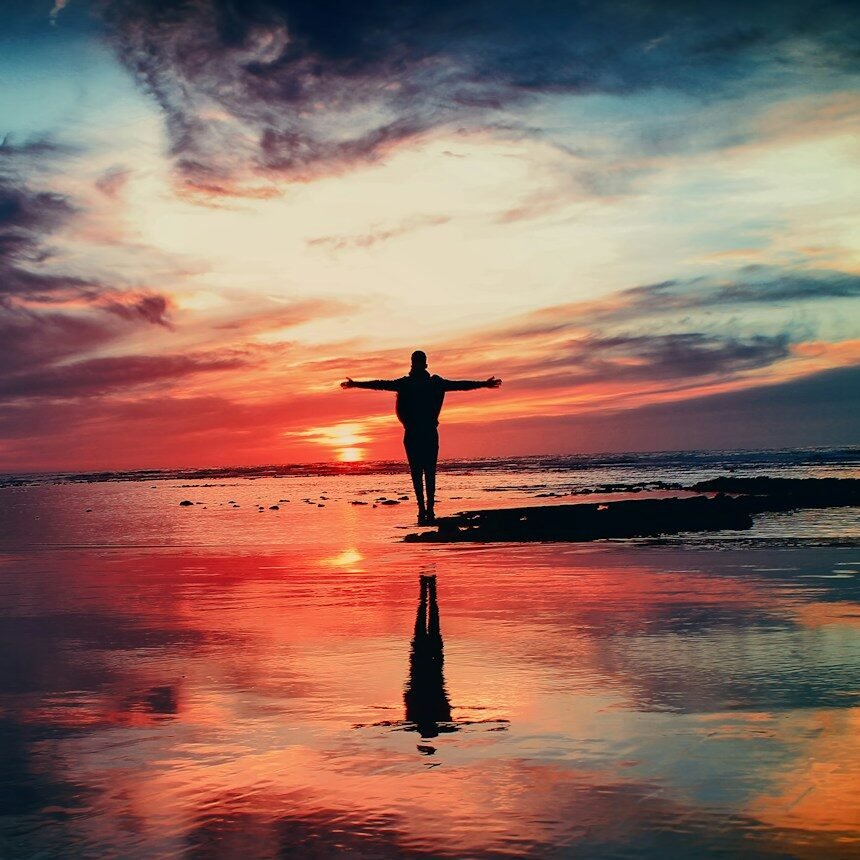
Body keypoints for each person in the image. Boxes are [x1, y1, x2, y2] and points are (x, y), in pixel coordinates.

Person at [341, 351, 501, 523]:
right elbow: (460, 385)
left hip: (415, 433)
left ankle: (423, 508)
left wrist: (356, 384)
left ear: (413, 364)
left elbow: (381, 384)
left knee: (418, 472)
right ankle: (428, 508)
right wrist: (484, 384)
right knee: (428, 472)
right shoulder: (431, 383)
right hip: (426, 433)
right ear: (425, 364)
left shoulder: (412, 383)